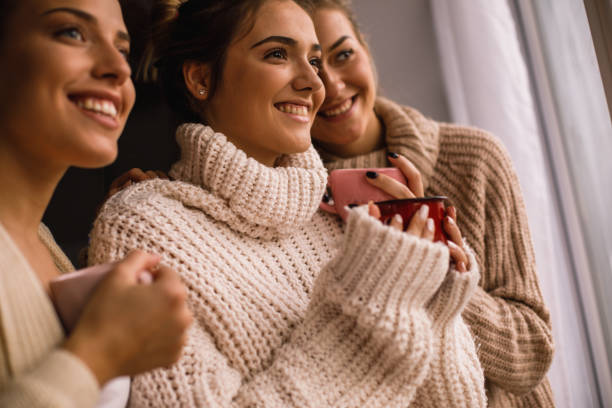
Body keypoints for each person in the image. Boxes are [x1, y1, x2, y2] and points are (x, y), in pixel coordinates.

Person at [89, 0, 487, 406]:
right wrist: (372, 299)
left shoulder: (343, 217)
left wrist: (431, 298)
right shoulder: (141, 230)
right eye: (277, 54)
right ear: (200, 77)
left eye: (313, 60)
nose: (317, 84)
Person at [295, 0, 555, 406]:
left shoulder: (475, 158)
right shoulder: (296, 199)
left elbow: (532, 351)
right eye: (311, 67)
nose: (331, 84)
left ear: (366, 48)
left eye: (343, 54)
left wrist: (433, 273)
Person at [0, 0, 192, 407]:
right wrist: (97, 357)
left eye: (123, 50)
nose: (120, 69)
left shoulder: (40, 243)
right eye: (72, 33)